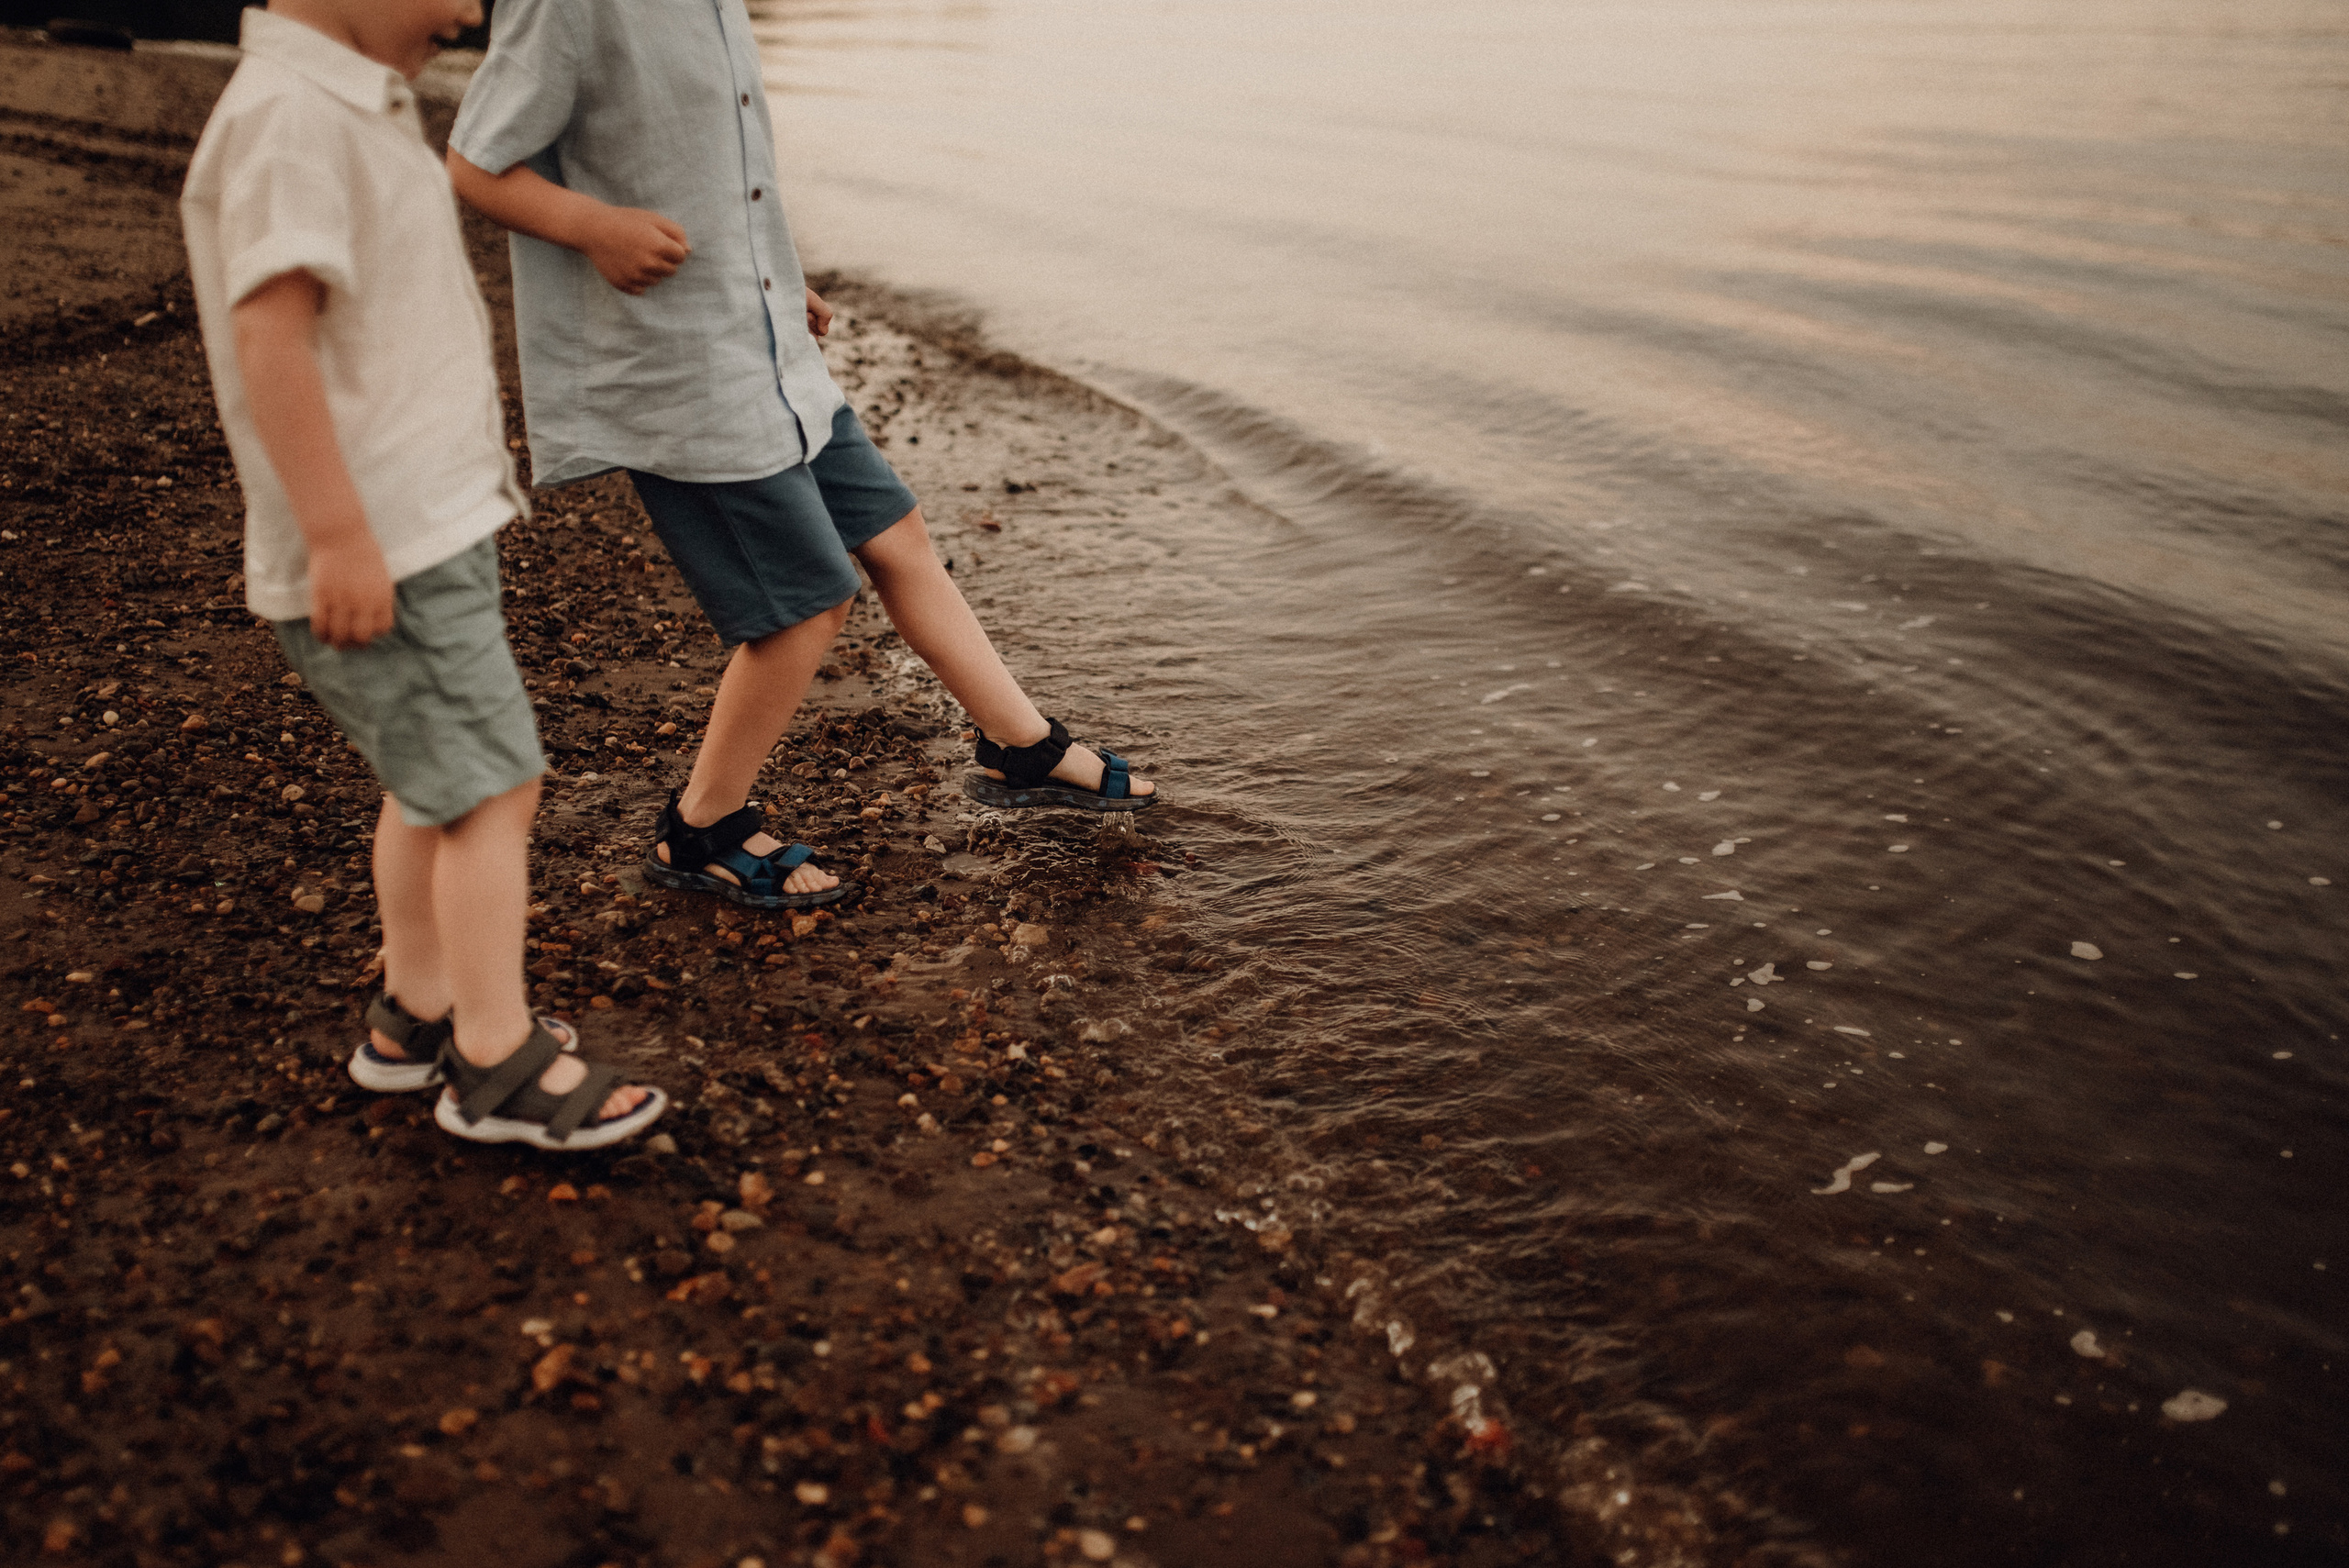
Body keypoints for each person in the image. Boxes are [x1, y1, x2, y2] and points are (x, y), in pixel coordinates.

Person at [443, 0, 1158, 917]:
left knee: (898, 534)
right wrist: (595, 227)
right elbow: (475, 160)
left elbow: (717, 171)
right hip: (684, 365)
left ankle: (1018, 742)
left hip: (766, 339)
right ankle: (702, 824)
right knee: (805, 609)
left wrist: (777, 270)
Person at [180, 0, 665, 1149]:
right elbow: (271, 340)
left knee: (433, 778)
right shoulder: (292, 117)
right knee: (494, 787)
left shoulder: (344, 102)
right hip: (383, 542)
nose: (470, 9)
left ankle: (414, 1014)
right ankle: (496, 1060)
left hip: (419, 530)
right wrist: (341, 536)